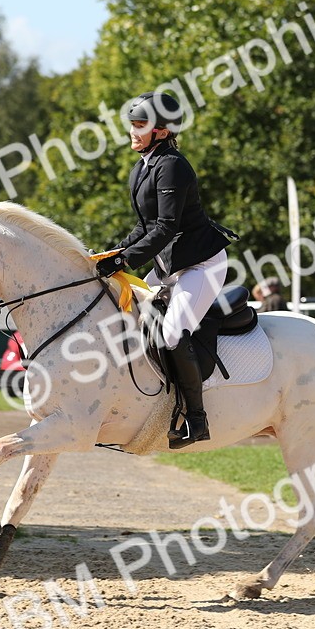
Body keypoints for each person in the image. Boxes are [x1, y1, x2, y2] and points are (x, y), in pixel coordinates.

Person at [94, 91, 235, 448]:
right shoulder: (143, 166)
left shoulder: (173, 164)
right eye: (132, 124)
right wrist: (114, 253)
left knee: (171, 334)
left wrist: (125, 260)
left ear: (161, 130)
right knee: (132, 315)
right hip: (169, 265)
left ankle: (197, 420)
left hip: (200, 265)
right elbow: (145, 227)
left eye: (140, 125)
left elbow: (167, 227)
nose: (133, 131)